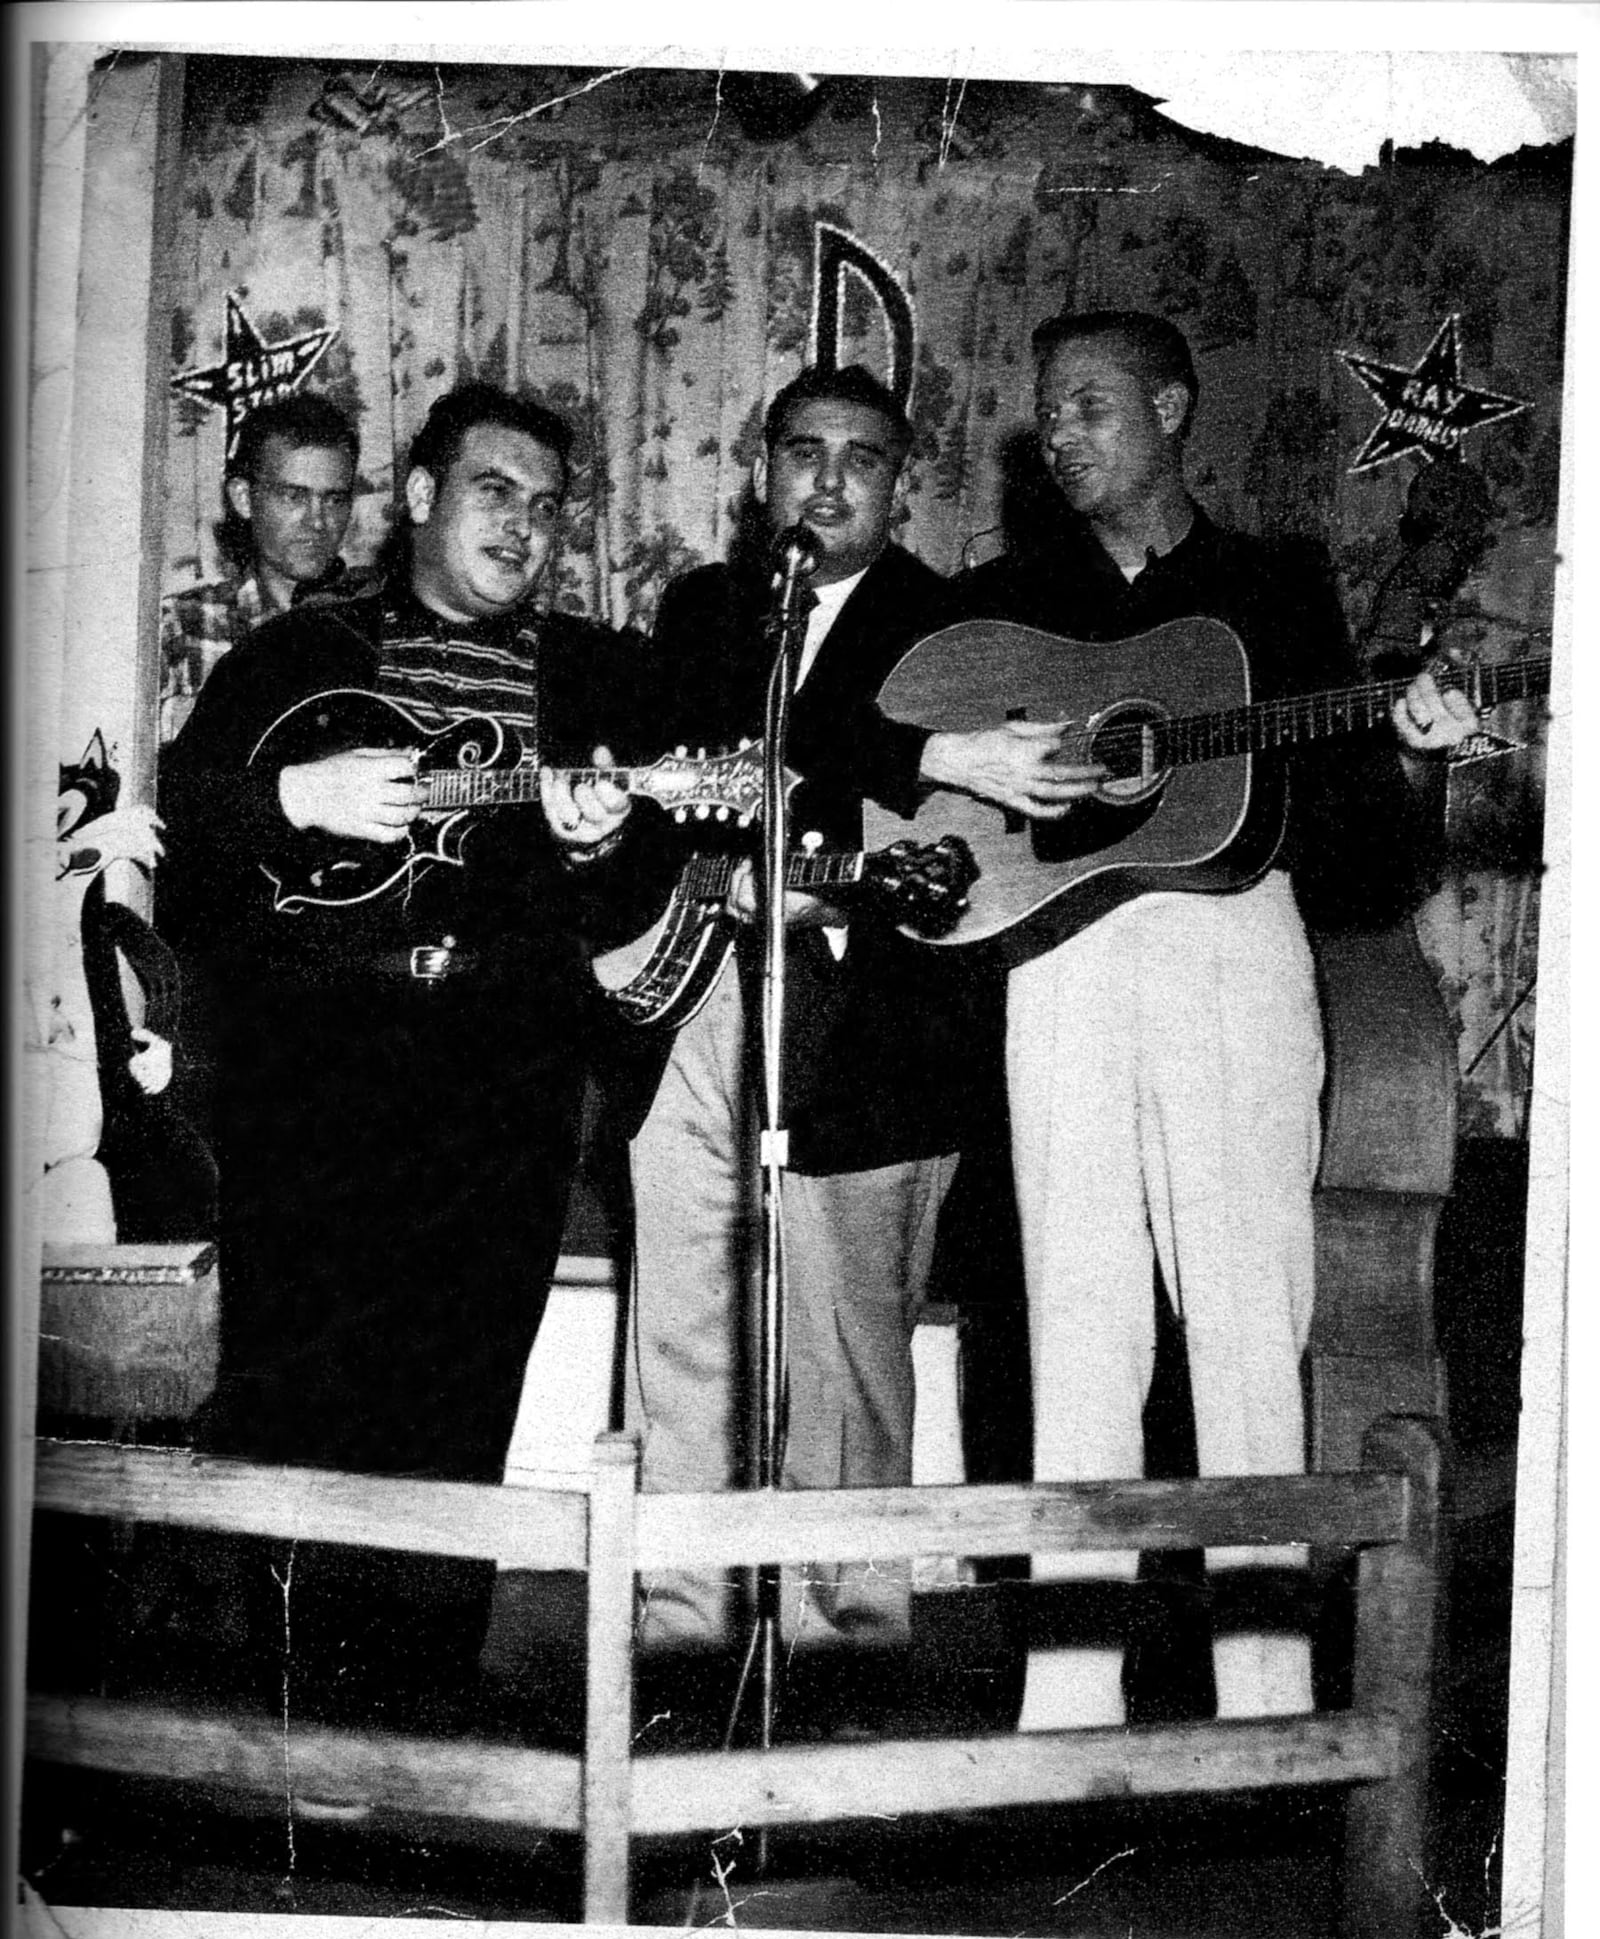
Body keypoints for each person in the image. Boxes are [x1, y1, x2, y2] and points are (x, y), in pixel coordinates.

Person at [874, 309, 1479, 1731]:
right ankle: (1066, 1706)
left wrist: (1409, 756)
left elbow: (1353, 857)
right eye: (1048, 414)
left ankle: (1265, 1702)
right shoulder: (1004, 599)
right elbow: (926, 778)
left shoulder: (1274, 584)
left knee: (1247, 1318)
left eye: (1089, 406)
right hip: (1062, 957)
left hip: (1233, 947)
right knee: (1076, 1318)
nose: (1062, 436)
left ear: (1170, 405)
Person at [157, 381, 646, 1715]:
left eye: (550, 507)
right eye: (496, 491)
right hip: (316, 1067)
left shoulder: (594, 676)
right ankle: (276, 1725)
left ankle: (417, 1723)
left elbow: (644, 893)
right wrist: (282, 797)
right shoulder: (303, 648)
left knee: (458, 1402)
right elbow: (184, 849)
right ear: (422, 496)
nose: (527, 525)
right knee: (290, 1388)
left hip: (503, 1078)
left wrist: (601, 836)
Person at [613, 364, 1005, 1661]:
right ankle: (683, 1599)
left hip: (876, 1010)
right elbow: (689, 771)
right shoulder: (708, 607)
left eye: (862, 457)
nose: (827, 479)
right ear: (762, 467)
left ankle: (851, 1613)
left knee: (848, 1325)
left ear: (902, 486)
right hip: (704, 979)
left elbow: (906, 778)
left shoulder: (954, 626)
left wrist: (855, 773)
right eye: (803, 451)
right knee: (682, 1290)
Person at [159, 394, 365, 744]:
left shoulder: (377, 621)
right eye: (294, 496)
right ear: (243, 498)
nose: (317, 522)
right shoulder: (180, 625)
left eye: (334, 499)